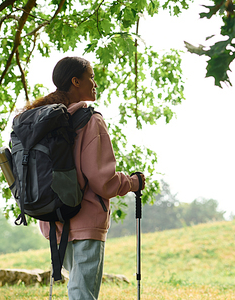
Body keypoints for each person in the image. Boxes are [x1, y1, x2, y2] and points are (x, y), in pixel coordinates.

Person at [25, 56, 145, 300]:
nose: (95, 83)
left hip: (52, 218)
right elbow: (103, 181)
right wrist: (133, 182)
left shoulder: (39, 119)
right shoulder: (89, 120)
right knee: (83, 294)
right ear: (75, 81)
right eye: (90, 77)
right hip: (85, 219)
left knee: (78, 290)